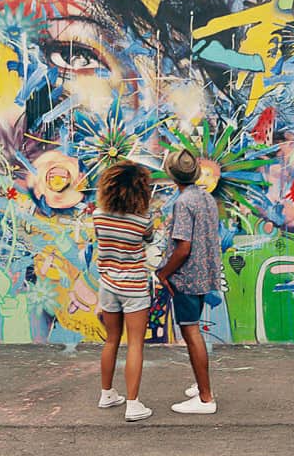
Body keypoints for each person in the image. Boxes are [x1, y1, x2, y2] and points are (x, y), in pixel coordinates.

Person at [156, 149, 220, 414]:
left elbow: (183, 247)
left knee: (191, 333)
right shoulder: (206, 198)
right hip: (204, 274)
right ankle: (201, 385)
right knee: (194, 332)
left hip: (187, 277)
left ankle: (206, 398)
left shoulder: (183, 203)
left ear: (173, 176)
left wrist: (164, 273)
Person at [92, 161, 156, 422]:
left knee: (111, 341)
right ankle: (133, 404)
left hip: (108, 285)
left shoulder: (98, 216)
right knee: (135, 345)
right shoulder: (142, 220)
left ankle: (107, 393)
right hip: (134, 287)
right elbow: (150, 239)